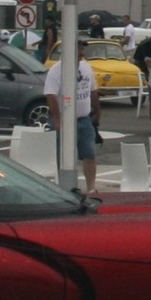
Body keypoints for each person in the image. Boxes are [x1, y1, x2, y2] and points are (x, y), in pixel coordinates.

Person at [44, 48, 100, 192]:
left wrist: (97, 111)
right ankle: (60, 188)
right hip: (64, 121)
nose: (81, 55)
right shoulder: (56, 71)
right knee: (60, 156)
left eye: (82, 52)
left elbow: (93, 90)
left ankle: (91, 188)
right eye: (79, 52)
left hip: (84, 119)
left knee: (89, 153)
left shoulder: (86, 67)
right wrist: (57, 119)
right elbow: (51, 95)